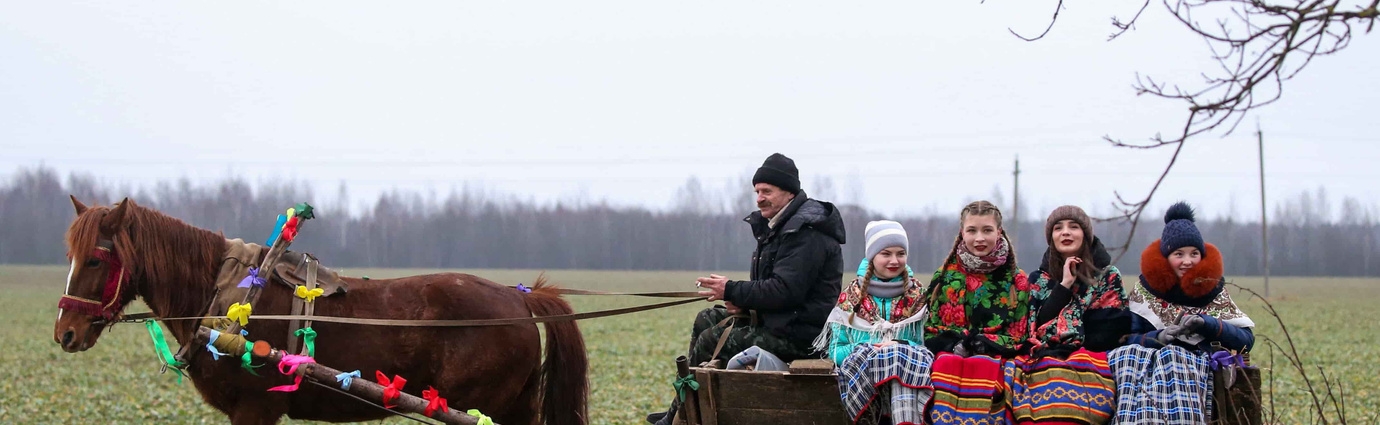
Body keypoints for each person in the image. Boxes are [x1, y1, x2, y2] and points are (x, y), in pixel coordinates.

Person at [646, 153, 846, 425]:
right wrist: (745, 303)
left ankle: (679, 417)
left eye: (767, 191)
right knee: (706, 319)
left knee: (712, 340)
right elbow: (780, 289)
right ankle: (684, 407)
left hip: (802, 335)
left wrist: (731, 289)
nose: (759, 198)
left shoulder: (806, 233)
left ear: (789, 192)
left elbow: (785, 290)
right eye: (757, 191)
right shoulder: (781, 226)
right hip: (781, 321)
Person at [1108, 201, 1256, 424]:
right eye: (1179, 253)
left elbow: (1246, 340)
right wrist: (1158, 338)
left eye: (1194, 253)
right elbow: (1126, 339)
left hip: (1198, 370)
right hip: (1148, 371)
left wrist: (1208, 324)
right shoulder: (1144, 293)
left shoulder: (1213, 291)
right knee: (1127, 357)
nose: (1187, 261)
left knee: (1176, 358)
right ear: (1166, 257)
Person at [1007, 205, 1129, 425]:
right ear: (1051, 237)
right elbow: (1032, 326)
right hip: (1043, 356)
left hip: (1093, 357)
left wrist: (1074, 347)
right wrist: (1064, 286)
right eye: (1058, 228)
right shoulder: (1039, 279)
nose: (1065, 232)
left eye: (1074, 227)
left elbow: (1113, 325)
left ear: (1085, 234)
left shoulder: (1107, 276)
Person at [923, 200, 1032, 424]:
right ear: (962, 233)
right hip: (948, 358)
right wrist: (953, 343)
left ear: (999, 232)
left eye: (987, 230)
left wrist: (983, 344)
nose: (979, 238)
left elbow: (1019, 334)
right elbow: (930, 327)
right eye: (972, 230)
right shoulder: (945, 276)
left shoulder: (1017, 280)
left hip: (997, 360)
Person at [820, 220, 931, 425]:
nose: (895, 260)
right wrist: (873, 349)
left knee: (897, 356)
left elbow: (928, 346)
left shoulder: (919, 297)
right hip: (864, 380)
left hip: (905, 382)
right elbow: (835, 351)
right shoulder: (851, 298)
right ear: (872, 256)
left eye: (900, 254)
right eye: (886, 254)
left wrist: (899, 347)